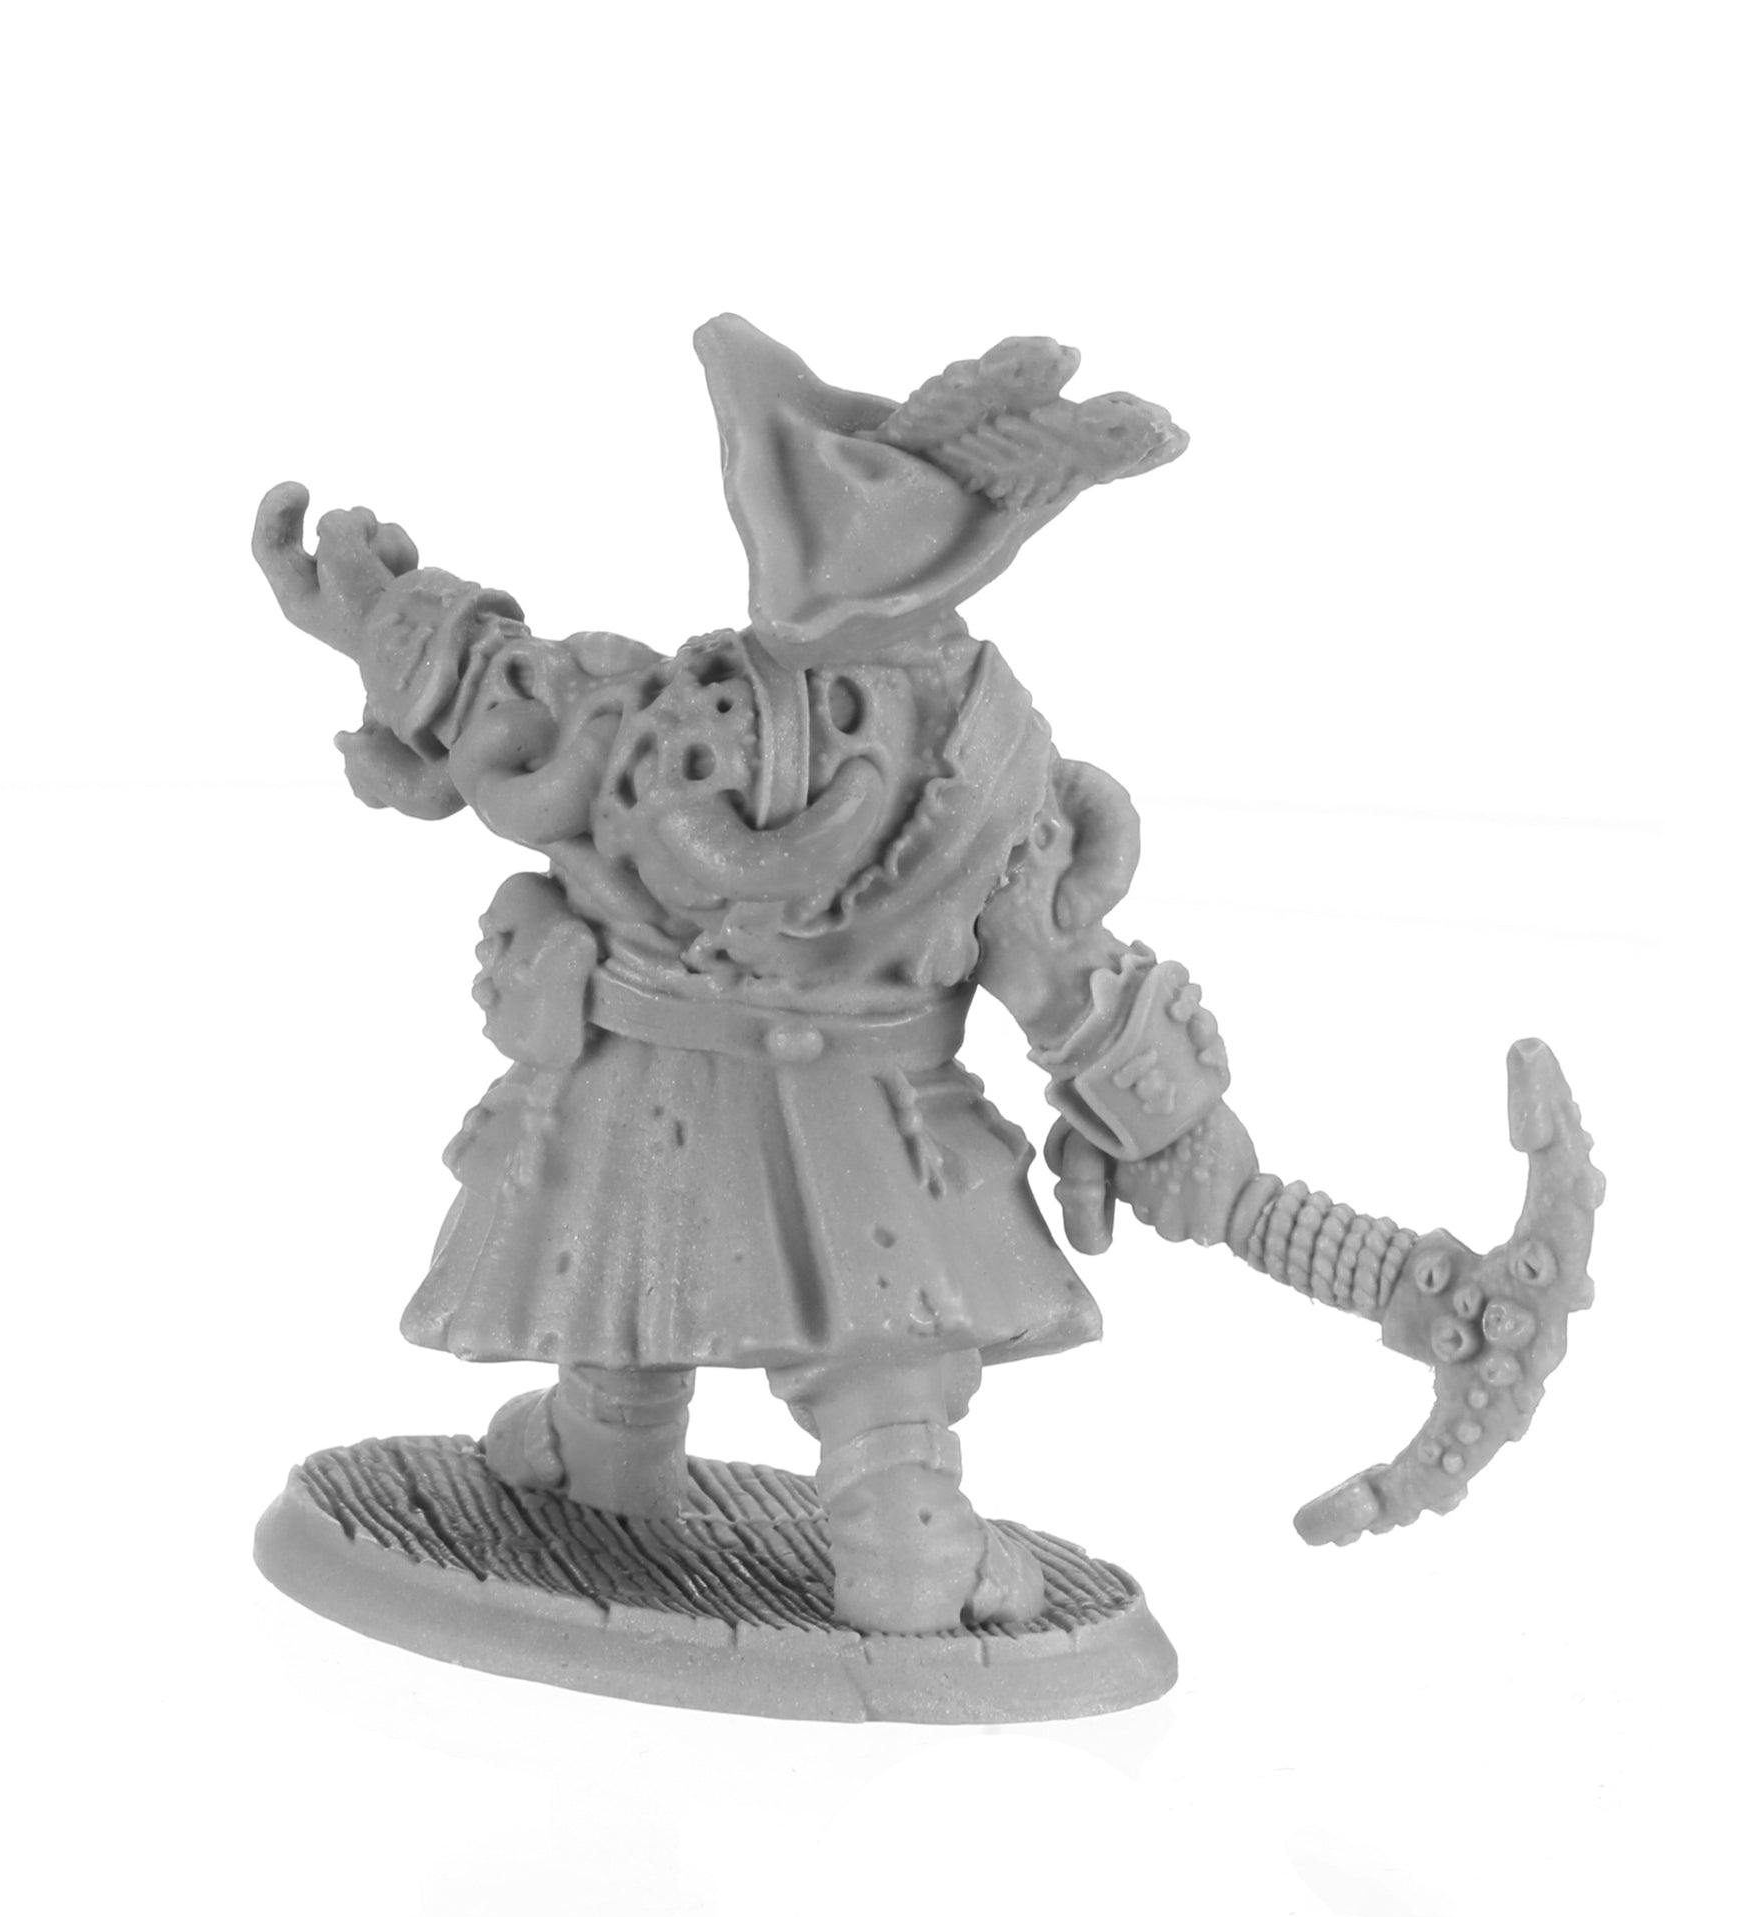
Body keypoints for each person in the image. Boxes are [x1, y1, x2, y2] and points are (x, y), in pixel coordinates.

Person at [252, 316, 1261, 1634]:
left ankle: (804, 1510)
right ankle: (763, 1490)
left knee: (682, 1265)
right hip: (859, 1111)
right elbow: (1051, 961)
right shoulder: (998, 752)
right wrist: (1164, 1114)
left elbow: (519, 701)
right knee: (837, 1323)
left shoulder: (689, 712)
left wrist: (377, 617)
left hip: (664, 1071)